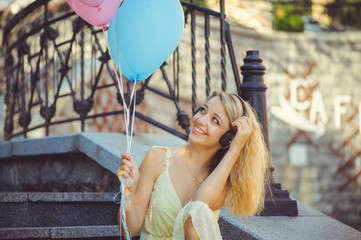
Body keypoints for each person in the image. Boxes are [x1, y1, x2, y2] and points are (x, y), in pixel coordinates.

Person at [117, 90, 270, 240]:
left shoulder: (221, 179)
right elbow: (127, 231)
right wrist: (128, 192)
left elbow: (198, 205)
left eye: (215, 120)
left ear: (229, 138)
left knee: (198, 211)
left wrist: (235, 150)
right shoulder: (157, 158)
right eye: (203, 110)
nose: (201, 120)